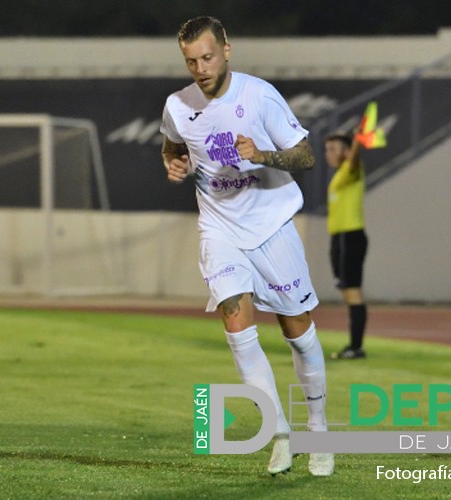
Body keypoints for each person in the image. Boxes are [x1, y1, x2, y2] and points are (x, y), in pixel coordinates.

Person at [159, 16, 333, 477]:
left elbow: (306, 155)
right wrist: (174, 164)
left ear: (227, 50)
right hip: (220, 229)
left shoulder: (259, 94)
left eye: (207, 57)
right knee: (236, 325)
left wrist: (262, 155)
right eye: (191, 60)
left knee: (297, 328)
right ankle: (280, 435)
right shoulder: (177, 105)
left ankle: (318, 427)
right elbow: (172, 145)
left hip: (271, 223)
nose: (200, 67)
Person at [324, 132, 369, 360]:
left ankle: (356, 347)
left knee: (352, 291)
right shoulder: (341, 175)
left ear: (346, 151)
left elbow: (354, 160)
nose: (328, 154)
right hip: (340, 239)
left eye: (333, 149)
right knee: (347, 290)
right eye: (327, 149)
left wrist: (358, 143)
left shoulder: (353, 169)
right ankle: (355, 345)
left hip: (349, 237)